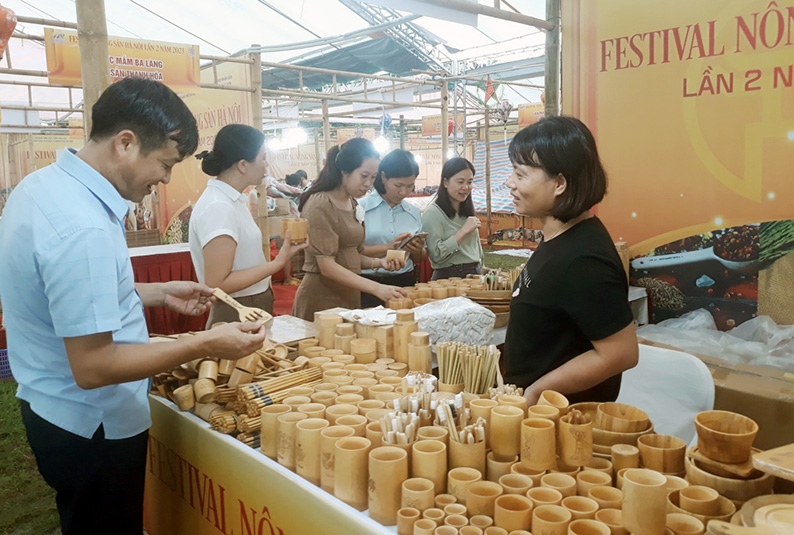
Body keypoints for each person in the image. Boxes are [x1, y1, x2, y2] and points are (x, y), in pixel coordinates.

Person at [0, 79, 266, 535]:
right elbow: (95, 365)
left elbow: (64, 299)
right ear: (126, 143)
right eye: (164, 164)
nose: (165, 180)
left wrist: (153, 293)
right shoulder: (81, 225)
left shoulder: (43, 188)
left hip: (54, 408)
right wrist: (205, 342)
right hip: (92, 424)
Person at [503, 115, 638, 405]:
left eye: (520, 174)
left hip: (561, 419)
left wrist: (537, 391)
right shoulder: (558, 235)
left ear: (560, 183)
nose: (509, 183)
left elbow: (620, 353)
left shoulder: (583, 259)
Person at [190, 124, 308, 326]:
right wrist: (277, 263)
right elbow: (218, 282)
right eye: (262, 157)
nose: (266, 165)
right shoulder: (219, 206)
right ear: (243, 165)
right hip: (237, 308)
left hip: (251, 302)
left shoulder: (231, 200)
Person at [292, 138, 407, 320]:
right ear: (344, 170)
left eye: (373, 177)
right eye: (363, 175)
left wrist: (379, 263)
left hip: (349, 293)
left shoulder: (352, 203)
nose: (368, 183)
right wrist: (376, 288)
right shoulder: (321, 203)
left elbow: (351, 254)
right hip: (322, 295)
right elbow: (327, 266)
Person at [359, 149, 426, 307]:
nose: (403, 192)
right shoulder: (360, 208)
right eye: (398, 185)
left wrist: (417, 250)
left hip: (405, 282)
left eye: (410, 186)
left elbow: (419, 258)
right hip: (368, 284)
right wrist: (386, 248)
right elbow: (350, 252)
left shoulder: (413, 213)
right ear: (383, 177)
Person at [422, 157, 484, 280]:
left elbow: (476, 249)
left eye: (470, 182)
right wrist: (463, 231)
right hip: (449, 278)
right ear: (445, 182)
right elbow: (436, 255)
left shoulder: (467, 211)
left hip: (474, 276)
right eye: (460, 182)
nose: (466, 187)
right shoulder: (432, 213)